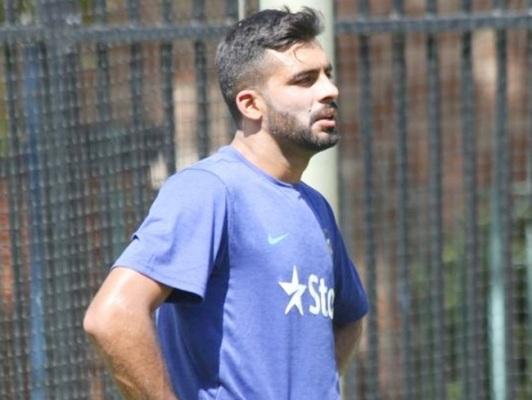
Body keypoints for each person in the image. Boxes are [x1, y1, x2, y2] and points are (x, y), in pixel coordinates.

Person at [84, 7, 368, 400]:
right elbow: (113, 317)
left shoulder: (314, 206)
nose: (329, 90)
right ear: (251, 105)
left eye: (327, 74)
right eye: (304, 80)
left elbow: (350, 317)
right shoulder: (209, 190)